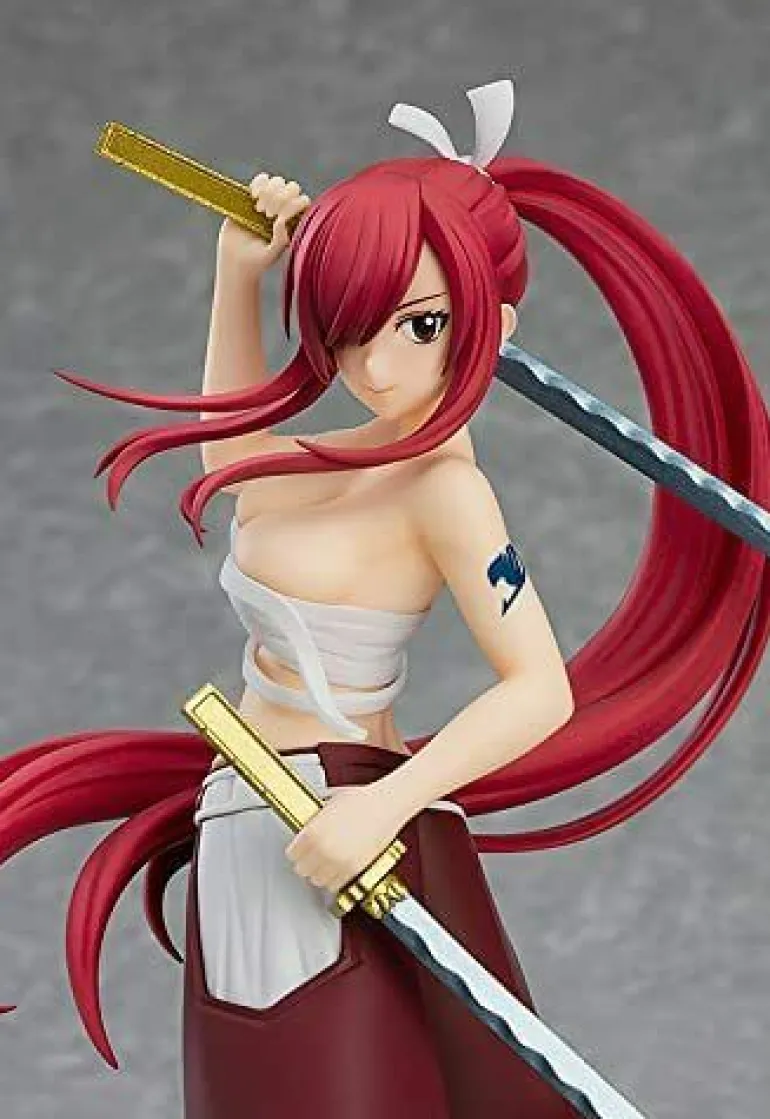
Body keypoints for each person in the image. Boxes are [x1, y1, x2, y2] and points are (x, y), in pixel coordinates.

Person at [1, 80, 767, 1118]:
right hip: (246, 818)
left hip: (347, 818)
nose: (370, 364)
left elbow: (536, 689)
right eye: (346, 325)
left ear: (491, 324)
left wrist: (384, 807)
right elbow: (236, 465)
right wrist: (238, 277)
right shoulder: (328, 456)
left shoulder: (448, 495)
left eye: (418, 324)